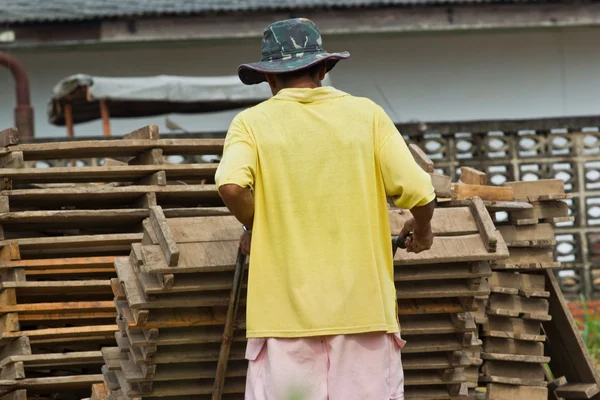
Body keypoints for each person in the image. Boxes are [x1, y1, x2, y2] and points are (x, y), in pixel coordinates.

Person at [215, 18, 435, 400]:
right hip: (364, 313)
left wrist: (259, 224)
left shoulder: (250, 123)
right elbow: (418, 190)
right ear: (322, 69)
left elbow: (232, 186)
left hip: (283, 320)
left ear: (269, 79)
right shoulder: (366, 115)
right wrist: (425, 230)